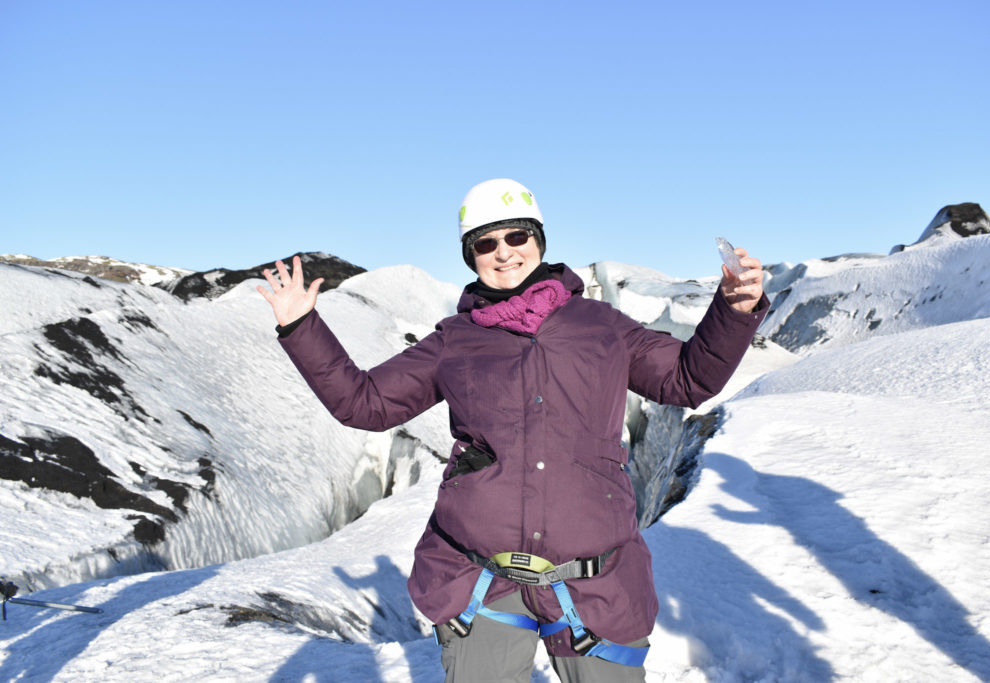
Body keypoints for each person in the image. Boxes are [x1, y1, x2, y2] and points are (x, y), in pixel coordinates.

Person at [258, 178, 768, 682]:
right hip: (482, 583)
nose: (503, 253)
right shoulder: (455, 340)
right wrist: (302, 328)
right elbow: (365, 404)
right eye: (485, 243)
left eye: (516, 236)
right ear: (471, 256)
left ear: (538, 241)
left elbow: (688, 379)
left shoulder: (601, 326)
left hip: (595, 581)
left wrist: (734, 310)